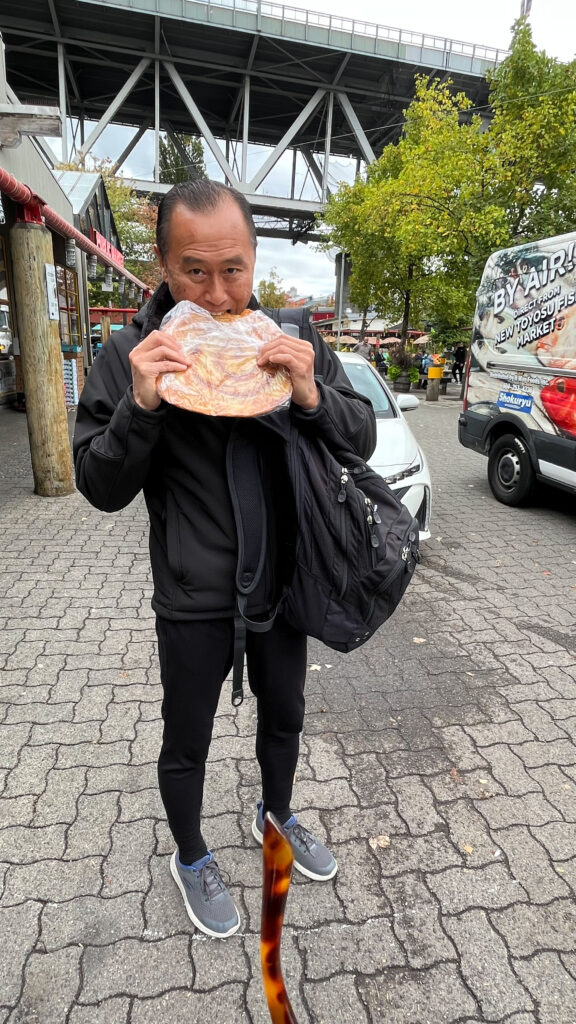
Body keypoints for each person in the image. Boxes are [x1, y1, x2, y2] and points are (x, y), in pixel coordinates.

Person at [73, 180, 376, 939]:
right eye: (194, 271)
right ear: (164, 264)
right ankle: (191, 853)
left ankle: (276, 814)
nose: (215, 293)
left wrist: (310, 391)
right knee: (188, 739)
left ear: (255, 259)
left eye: (233, 269)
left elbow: (359, 436)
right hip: (192, 591)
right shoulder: (128, 355)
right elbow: (99, 486)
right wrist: (142, 409)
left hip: (282, 581)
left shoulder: (288, 338)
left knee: (287, 718)